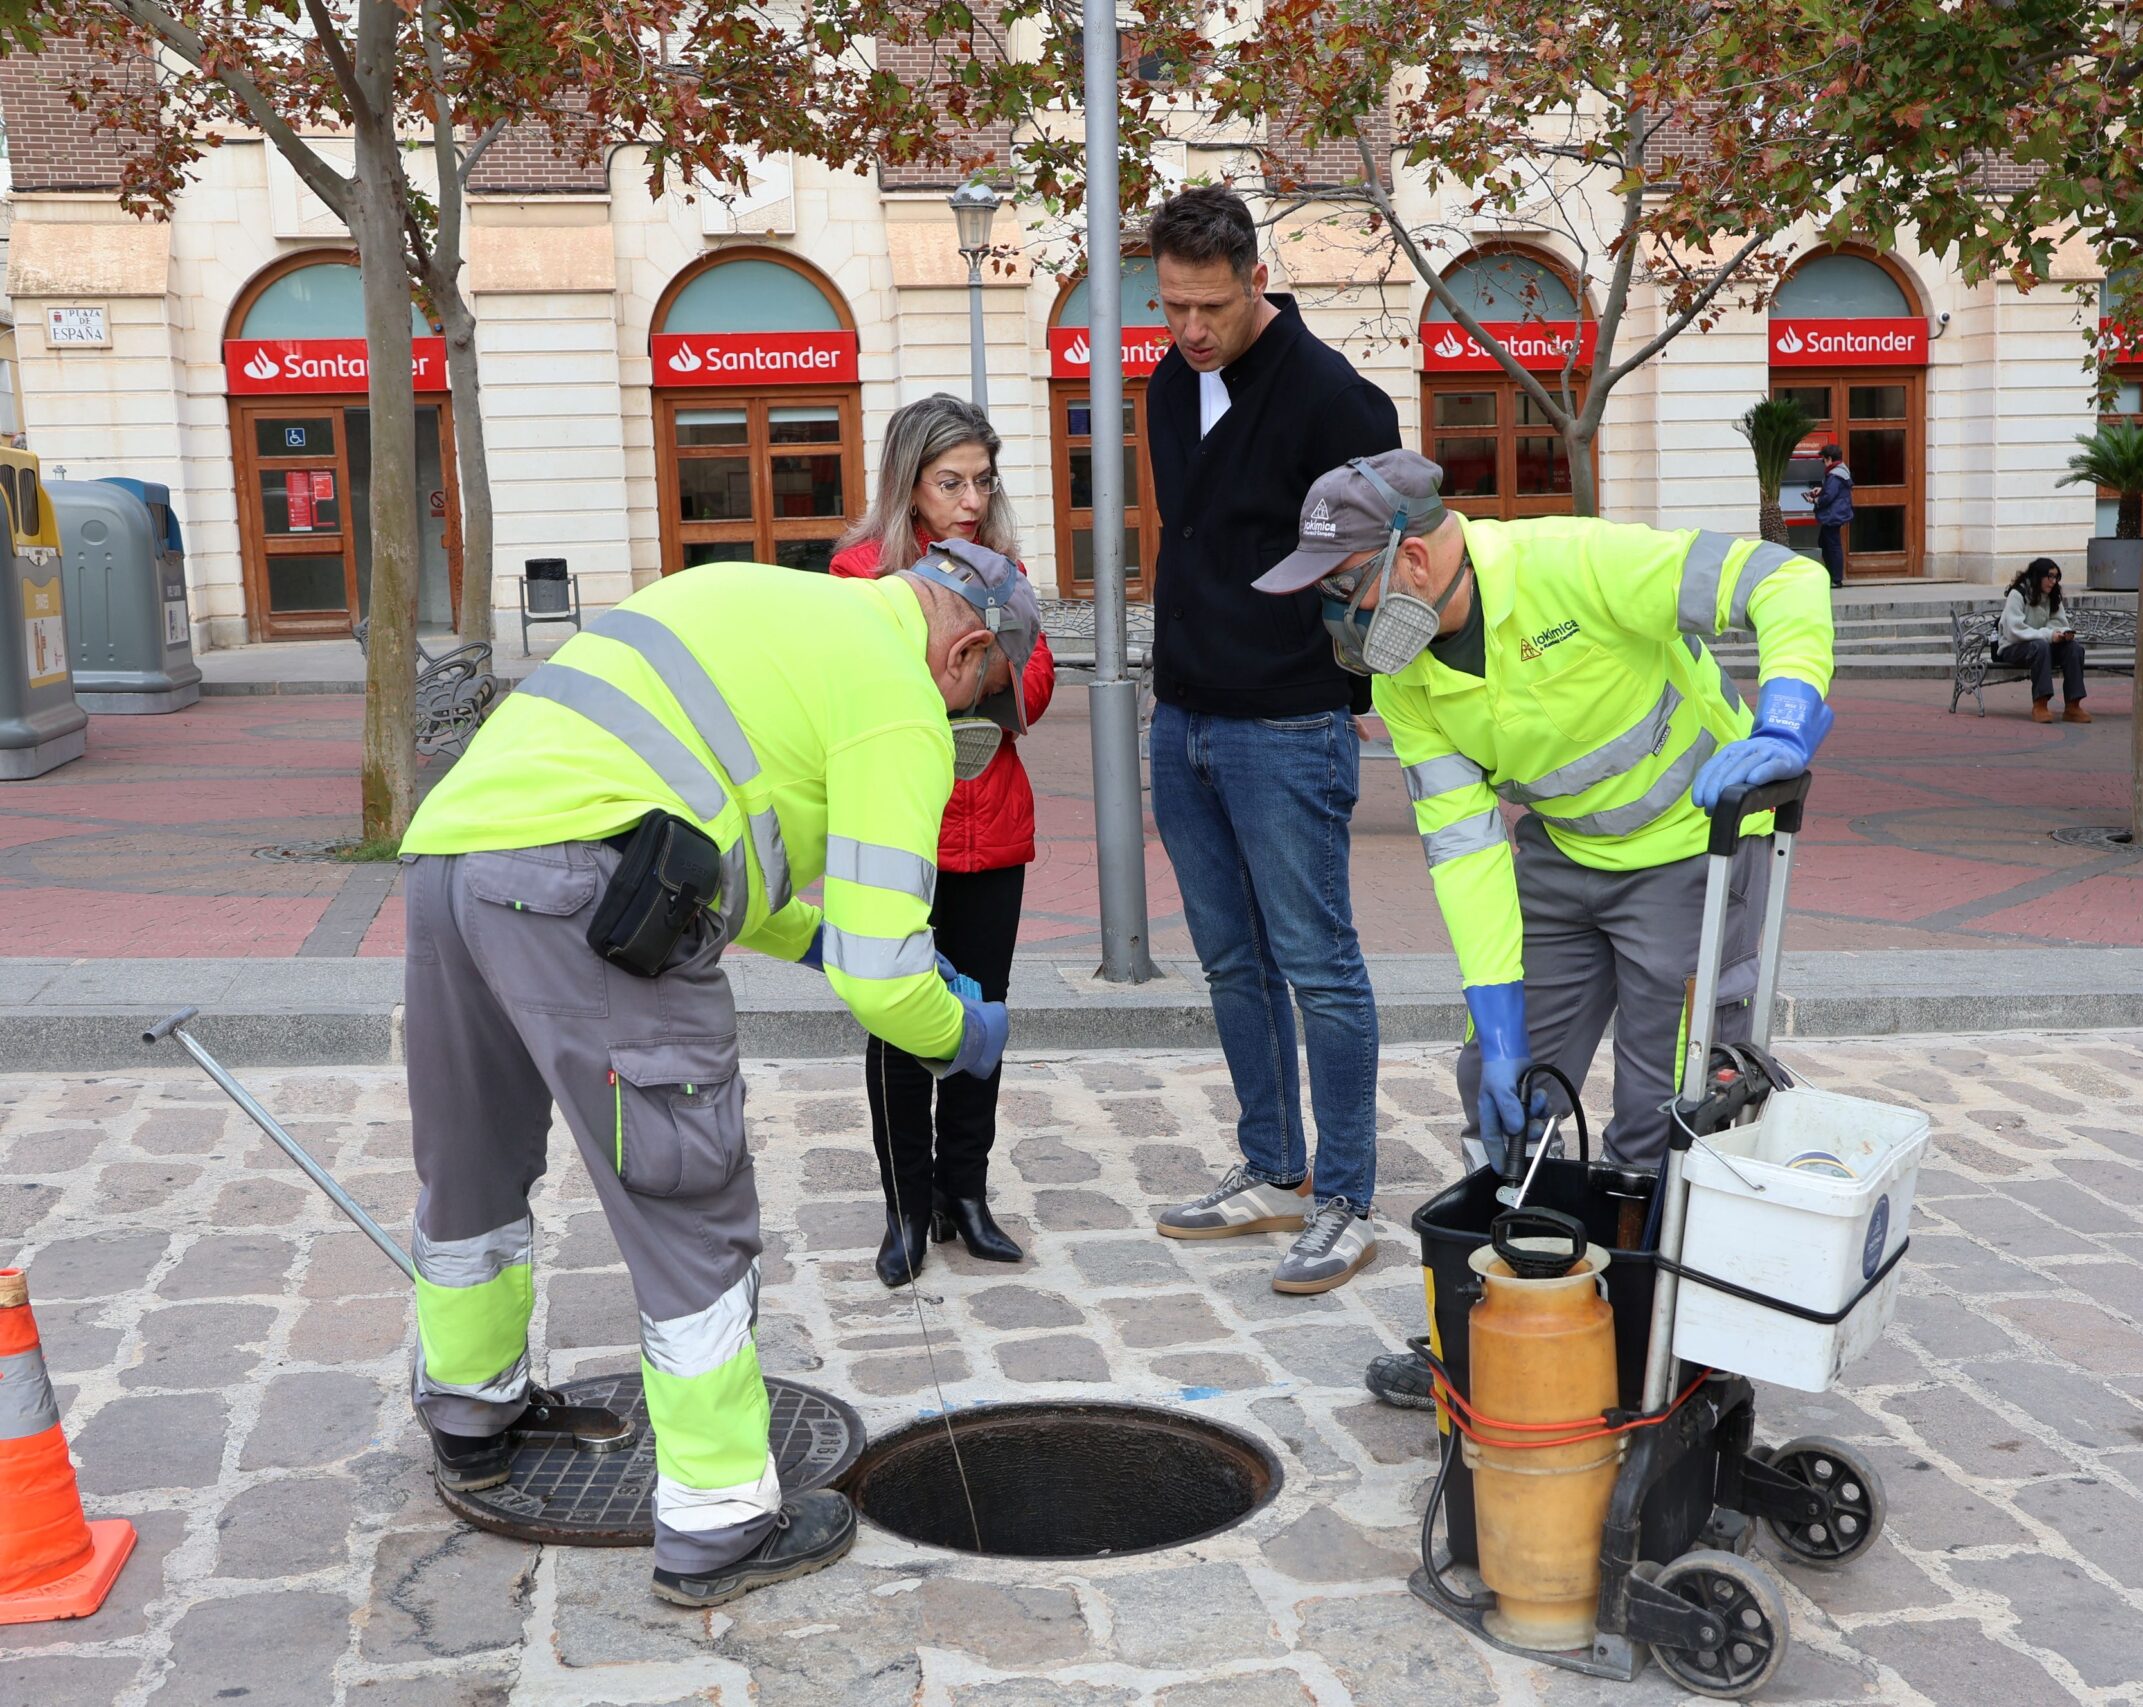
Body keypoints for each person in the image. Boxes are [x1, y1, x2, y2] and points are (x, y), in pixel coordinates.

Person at [396, 542, 1035, 1607]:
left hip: (452, 861)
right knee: (687, 1203)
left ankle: (472, 1413)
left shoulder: (759, 598)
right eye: (983, 698)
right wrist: (960, 1037)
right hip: (587, 892)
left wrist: (817, 938)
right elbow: (887, 982)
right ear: (967, 651)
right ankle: (721, 1520)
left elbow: (712, 835)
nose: (969, 723)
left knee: (470, 1167)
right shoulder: (901, 699)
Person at [1248, 452, 1836, 1408]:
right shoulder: (1407, 680)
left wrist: (1785, 716)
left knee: (1662, 1111)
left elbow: (1782, 578)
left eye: (1342, 587)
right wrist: (1501, 1023)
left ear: (1413, 560)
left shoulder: (1574, 563)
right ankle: (1510, 1320)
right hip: (1565, 852)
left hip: (1694, 845)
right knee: (1502, 1086)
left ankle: (1651, 1345)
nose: (1334, 617)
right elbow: (1465, 850)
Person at [1138, 184, 1403, 1295]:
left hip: (1289, 723)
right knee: (1230, 962)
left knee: (1318, 965)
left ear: (1257, 280)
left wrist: (1339, 682)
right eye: (1171, 306)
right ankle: (1272, 1166)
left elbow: (1385, 564)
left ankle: (1344, 1198)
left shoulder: (1337, 399)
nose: (1190, 329)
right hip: (1184, 717)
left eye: (1210, 305)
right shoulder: (1166, 382)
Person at [831, 396, 1056, 1287]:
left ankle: (967, 1194)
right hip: (899, 828)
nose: (970, 499)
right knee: (898, 1016)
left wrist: (970, 673)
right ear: (909, 484)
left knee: (981, 1016)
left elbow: (1031, 689)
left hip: (992, 826)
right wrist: (975, 670)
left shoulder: (1006, 570)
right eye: (949, 481)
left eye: (982, 481)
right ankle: (905, 1206)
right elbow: (865, 693)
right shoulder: (859, 572)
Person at [1997, 556, 2089, 723]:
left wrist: (2062, 634)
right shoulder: (2018, 594)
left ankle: (2073, 706)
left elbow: (2059, 623)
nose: (2053, 581)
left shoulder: (2052, 595)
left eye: (2056, 577)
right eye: (2050, 576)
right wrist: (2048, 635)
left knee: (2073, 648)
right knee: (2040, 646)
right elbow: (2014, 630)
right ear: (2038, 576)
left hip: (2041, 647)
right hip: (2013, 647)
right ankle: (2040, 705)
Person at [1804, 443, 1852, 588]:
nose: (1823, 463)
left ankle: (1836, 579)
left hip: (1832, 515)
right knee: (1824, 543)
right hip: (1835, 514)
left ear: (1829, 459)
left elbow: (1829, 497)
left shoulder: (1835, 475)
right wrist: (1822, 489)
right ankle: (1832, 576)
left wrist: (1814, 500)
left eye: (1824, 460)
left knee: (1832, 546)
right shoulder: (1840, 470)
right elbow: (1833, 491)